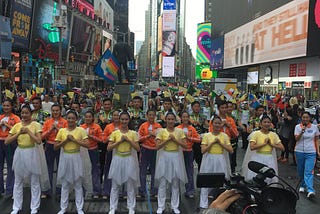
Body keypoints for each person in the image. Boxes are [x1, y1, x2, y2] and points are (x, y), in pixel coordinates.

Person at [5, 104, 49, 214]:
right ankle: (16, 207)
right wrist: (19, 132)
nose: (24, 115)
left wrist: (28, 132)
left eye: (26, 113)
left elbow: (39, 141)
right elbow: (7, 141)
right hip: (20, 152)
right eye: (22, 113)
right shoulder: (17, 126)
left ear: (31, 114)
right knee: (18, 181)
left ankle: (34, 207)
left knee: (34, 181)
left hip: (32, 152)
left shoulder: (36, 125)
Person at [55, 109, 91, 214]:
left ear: (76, 119)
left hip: (76, 156)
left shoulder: (81, 130)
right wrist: (66, 140)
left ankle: (79, 208)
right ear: (66, 119)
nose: (71, 120)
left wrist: (75, 140)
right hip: (65, 157)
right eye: (69, 118)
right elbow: (55, 147)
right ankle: (63, 208)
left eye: (73, 118)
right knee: (65, 184)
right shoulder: (62, 131)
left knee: (77, 183)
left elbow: (87, 144)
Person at [107, 111, 140, 214]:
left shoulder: (133, 133)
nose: (124, 121)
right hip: (118, 159)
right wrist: (119, 141)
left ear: (129, 120)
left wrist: (129, 141)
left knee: (130, 184)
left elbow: (138, 148)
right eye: (122, 119)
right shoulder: (115, 133)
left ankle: (131, 207)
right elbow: (109, 148)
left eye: (126, 119)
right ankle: (113, 207)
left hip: (129, 159)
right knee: (115, 185)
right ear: (119, 120)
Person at [155, 112, 187, 214]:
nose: (170, 121)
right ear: (166, 120)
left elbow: (185, 145)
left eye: (172, 119)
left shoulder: (179, 131)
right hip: (165, 156)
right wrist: (168, 140)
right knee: (163, 182)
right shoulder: (161, 132)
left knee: (175, 183)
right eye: (168, 119)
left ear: (175, 120)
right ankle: (161, 206)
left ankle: (175, 206)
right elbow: (157, 146)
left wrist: (175, 140)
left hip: (176, 156)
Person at [199, 115, 233, 209]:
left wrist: (220, 143)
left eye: (219, 123)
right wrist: (212, 143)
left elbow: (231, 150)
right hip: (209, 159)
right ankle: (203, 204)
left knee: (222, 182)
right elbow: (203, 150)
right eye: (215, 123)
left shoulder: (225, 136)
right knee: (206, 181)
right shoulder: (207, 136)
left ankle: (221, 204)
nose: (217, 125)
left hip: (220, 159)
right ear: (212, 124)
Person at [242, 114, 284, 184]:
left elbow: (282, 148)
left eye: (268, 122)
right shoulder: (256, 134)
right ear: (261, 124)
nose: (266, 124)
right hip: (258, 158)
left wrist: (272, 144)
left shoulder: (273, 135)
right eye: (265, 122)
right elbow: (252, 147)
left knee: (269, 179)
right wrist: (263, 144)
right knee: (257, 177)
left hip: (269, 158)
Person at [41, 103, 67, 198]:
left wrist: (58, 129)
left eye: (57, 110)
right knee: (48, 168)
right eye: (53, 111)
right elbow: (42, 136)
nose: (55, 112)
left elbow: (67, 135)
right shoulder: (48, 122)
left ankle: (60, 190)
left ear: (60, 111)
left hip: (61, 146)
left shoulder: (65, 122)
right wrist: (50, 130)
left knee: (61, 168)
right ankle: (47, 190)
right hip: (49, 145)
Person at [294, 111, 320, 198]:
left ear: (310, 118)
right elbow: (296, 139)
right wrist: (302, 131)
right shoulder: (297, 127)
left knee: (309, 171)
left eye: (307, 117)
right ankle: (302, 185)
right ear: (301, 118)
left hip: (311, 152)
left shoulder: (314, 127)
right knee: (301, 170)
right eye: (303, 117)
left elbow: (317, 139)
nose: (305, 119)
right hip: (299, 151)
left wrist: (318, 150)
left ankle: (310, 190)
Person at [138, 109, 162, 198]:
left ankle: (154, 191)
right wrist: (148, 136)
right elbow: (138, 138)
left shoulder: (158, 126)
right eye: (150, 115)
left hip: (155, 150)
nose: (151, 117)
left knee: (154, 171)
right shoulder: (143, 126)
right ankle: (142, 191)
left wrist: (155, 135)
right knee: (143, 170)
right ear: (147, 116)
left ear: (155, 116)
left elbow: (162, 137)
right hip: (145, 149)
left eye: (153, 115)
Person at [176, 111, 201, 198]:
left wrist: (189, 138)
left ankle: (190, 190)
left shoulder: (192, 128)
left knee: (189, 171)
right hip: (179, 152)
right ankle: (176, 191)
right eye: (184, 117)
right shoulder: (178, 128)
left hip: (189, 151)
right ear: (181, 118)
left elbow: (198, 139)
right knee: (177, 171)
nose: (185, 119)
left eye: (187, 117)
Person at [80, 111, 103, 199]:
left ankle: (96, 191)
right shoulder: (81, 127)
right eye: (86, 117)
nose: (88, 118)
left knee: (95, 170)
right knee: (83, 170)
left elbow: (101, 140)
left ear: (93, 118)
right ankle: (83, 190)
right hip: (83, 151)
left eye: (90, 117)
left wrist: (91, 136)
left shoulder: (96, 127)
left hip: (93, 150)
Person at [0, 100, 20, 197]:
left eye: (8, 105)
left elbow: (18, 130)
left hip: (10, 143)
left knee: (10, 166)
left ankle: (10, 189)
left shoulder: (15, 118)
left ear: (11, 107)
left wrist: (7, 125)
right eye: (4, 105)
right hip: (0, 142)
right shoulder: (0, 117)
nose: (6, 107)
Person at [102, 110, 120, 199]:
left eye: (118, 115)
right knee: (108, 170)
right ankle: (106, 191)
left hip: (121, 151)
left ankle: (121, 192)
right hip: (110, 150)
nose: (116, 117)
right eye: (114, 115)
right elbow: (103, 139)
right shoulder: (108, 127)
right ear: (112, 117)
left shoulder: (123, 126)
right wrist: (109, 137)